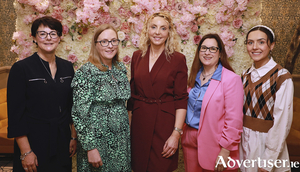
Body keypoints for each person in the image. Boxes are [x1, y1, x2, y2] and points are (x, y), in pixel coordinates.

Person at [7, 16, 77, 172]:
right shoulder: (21, 69)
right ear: (34, 38)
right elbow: (16, 115)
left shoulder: (67, 67)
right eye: (42, 34)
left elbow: (71, 106)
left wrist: (73, 137)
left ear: (60, 37)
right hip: (34, 141)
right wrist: (26, 152)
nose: (48, 38)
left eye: (53, 33)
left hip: (61, 139)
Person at [127, 11, 188, 172]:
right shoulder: (137, 56)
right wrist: (129, 129)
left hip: (164, 125)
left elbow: (181, 99)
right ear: (147, 30)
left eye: (163, 28)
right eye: (153, 27)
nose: (157, 32)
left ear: (169, 33)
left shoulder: (177, 59)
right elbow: (132, 97)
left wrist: (176, 134)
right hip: (140, 124)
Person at [71, 24, 131, 172]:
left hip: (120, 140)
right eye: (104, 41)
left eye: (113, 41)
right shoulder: (86, 72)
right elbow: (79, 114)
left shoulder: (120, 69)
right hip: (97, 141)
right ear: (96, 45)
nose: (109, 46)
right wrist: (90, 147)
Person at [181, 34, 244, 172]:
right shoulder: (194, 76)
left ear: (220, 53)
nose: (207, 52)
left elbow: (234, 119)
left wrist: (226, 150)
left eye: (212, 49)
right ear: (198, 52)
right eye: (203, 48)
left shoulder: (231, 79)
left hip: (215, 144)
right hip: (189, 138)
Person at [240, 25, 293, 172]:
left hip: (266, 144)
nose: (255, 47)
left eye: (261, 42)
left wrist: (268, 160)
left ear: (272, 46)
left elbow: (282, 121)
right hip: (245, 142)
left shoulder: (282, 77)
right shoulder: (245, 75)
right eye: (250, 42)